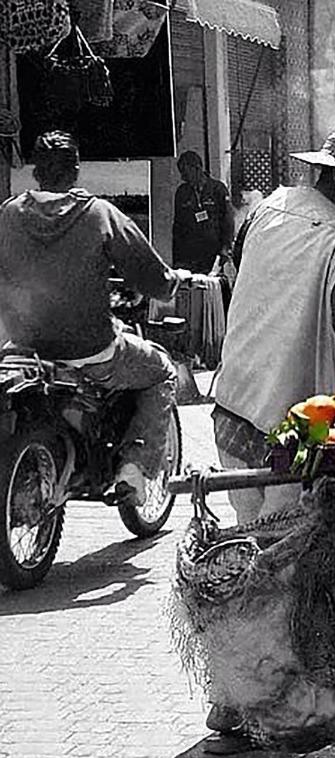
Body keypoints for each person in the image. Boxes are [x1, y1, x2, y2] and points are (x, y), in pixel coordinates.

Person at [213, 115, 335, 525]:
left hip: (231, 414)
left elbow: (246, 272)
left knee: (251, 537)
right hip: (293, 435)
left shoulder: (266, 209)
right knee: (285, 561)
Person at [0, 130, 182, 504]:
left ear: (35, 172)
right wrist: (173, 283)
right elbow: (151, 276)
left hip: (25, 349)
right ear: (76, 171)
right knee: (162, 370)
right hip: (91, 351)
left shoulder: (9, 214)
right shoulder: (98, 214)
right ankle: (134, 469)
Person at [172, 150, 234, 274]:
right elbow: (178, 227)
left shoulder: (218, 189)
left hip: (212, 253)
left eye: (185, 172)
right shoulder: (182, 192)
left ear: (197, 168)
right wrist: (177, 259)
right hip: (189, 255)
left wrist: (226, 247)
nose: (183, 177)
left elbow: (227, 220)